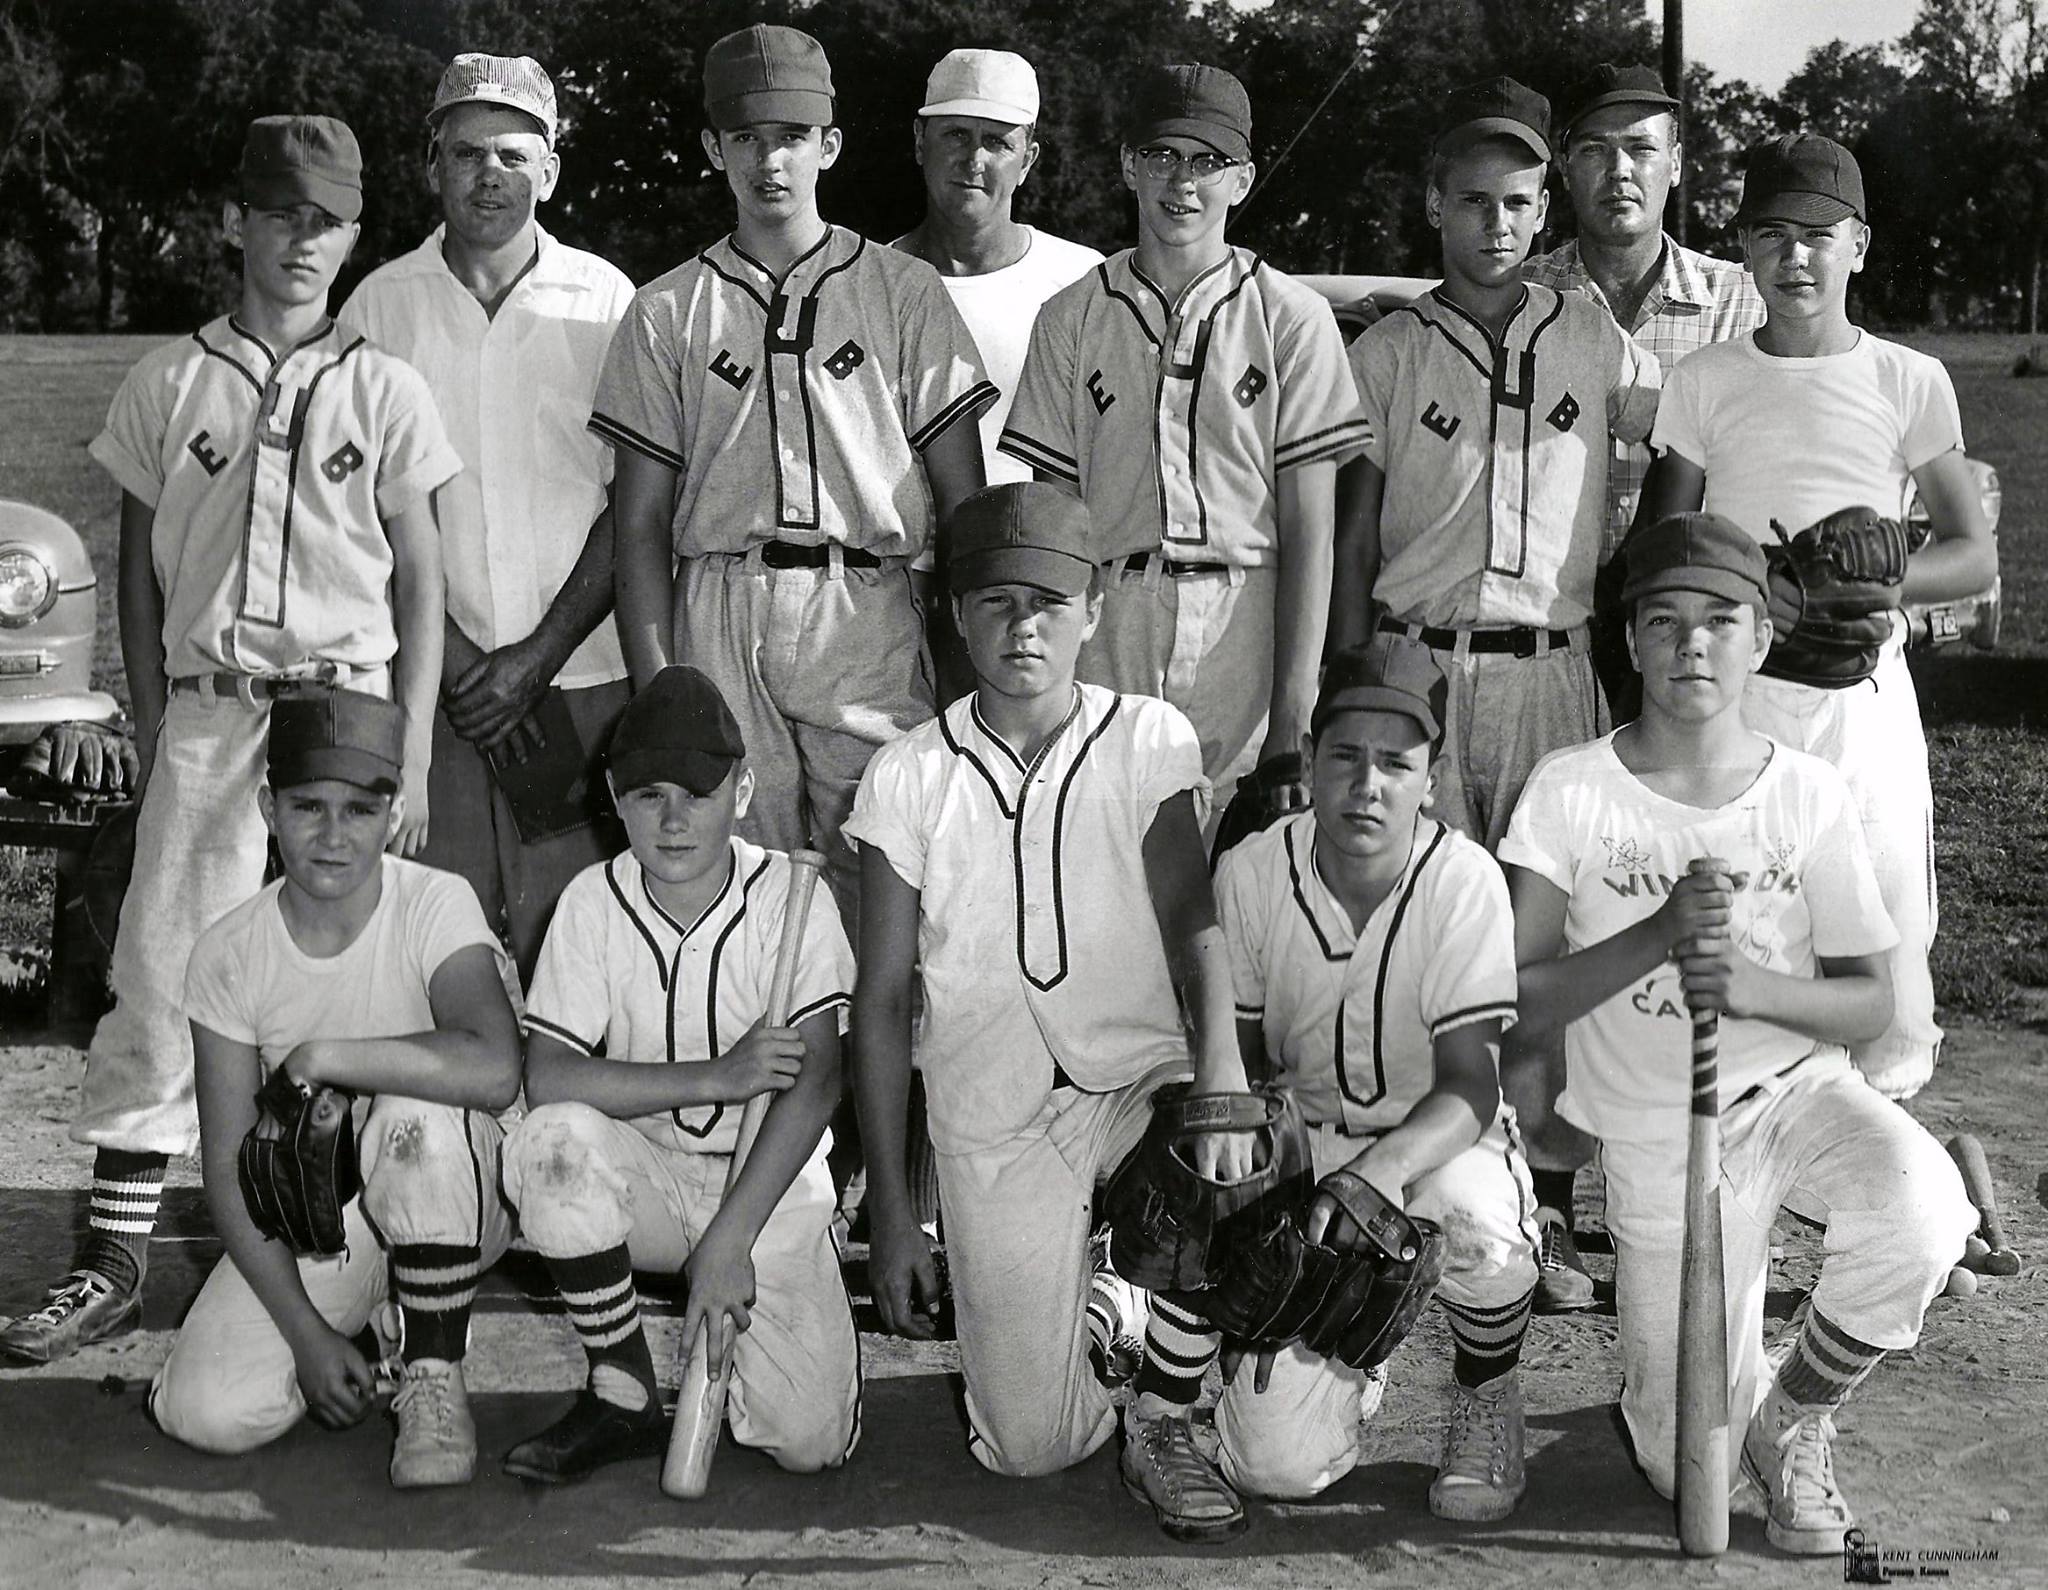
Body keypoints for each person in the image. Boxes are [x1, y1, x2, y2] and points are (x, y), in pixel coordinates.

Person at [2, 117, 459, 1365]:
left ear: (358, 233)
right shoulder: (168, 379)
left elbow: (421, 580)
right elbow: (141, 577)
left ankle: (374, 1240)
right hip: (212, 706)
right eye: (280, 214)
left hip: (344, 709)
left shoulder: (384, 385)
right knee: (163, 964)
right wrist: (159, 726)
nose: (302, 240)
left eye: (327, 219)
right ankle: (111, 1257)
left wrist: (408, 748)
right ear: (235, 224)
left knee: (351, 969)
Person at [1499, 511, 1975, 1554]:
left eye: (1719, 620)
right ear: (1627, 643)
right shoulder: (1569, 791)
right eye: (1661, 622)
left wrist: (1753, 987)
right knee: (1680, 1469)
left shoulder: (1803, 793)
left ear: (1760, 638)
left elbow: (1870, 1005)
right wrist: (1658, 939)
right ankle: (1717, 1385)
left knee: (1922, 1212)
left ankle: (1792, 1412)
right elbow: (1514, 1000)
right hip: (1652, 1136)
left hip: (1795, 1099)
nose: (1690, 646)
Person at [846, 482, 1255, 1542]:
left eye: (1047, 602)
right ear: (951, 612)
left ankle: (1162, 1415)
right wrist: (894, 1211)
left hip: (1133, 1082)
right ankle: (1108, 1304)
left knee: (1231, 1165)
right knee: (1029, 1448)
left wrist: (1220, 1079)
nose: (1022, 625)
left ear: (1093, 611)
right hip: (994, 1116)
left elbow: (1190, 919)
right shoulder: (907, 774)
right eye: (993, 601)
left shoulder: (1145, 737)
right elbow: (883, 1003)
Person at [597, 22, 994, 936]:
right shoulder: (666, 308)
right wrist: (662, 687)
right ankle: (768, 1078)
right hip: (718, 604)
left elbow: (964, 505)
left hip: (863, 605)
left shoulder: (902, 291)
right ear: (713, 148)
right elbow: (640, 524)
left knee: (888, 875)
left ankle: (881, 1082)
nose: (768, 160)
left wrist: (969, 666)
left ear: (830, 145)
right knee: (743, 891)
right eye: (745, 138)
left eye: (789, 137)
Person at [1639, 133, 1995, 1100]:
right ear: (1745, 248)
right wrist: (1751, 585)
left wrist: (1878, 588)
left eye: (1818, 235)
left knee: (1881, 917)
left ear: (1860, 246)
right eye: (1771, 235)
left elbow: (1972, 551)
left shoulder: (1908, 378)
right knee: (1750, 915)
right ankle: (1748, 1139)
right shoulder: (1706, 380)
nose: (1795, 258)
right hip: (1740, 689)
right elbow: (1660, 548)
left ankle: (1887, 1155)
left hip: (1861, 691)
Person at [1518, 61, 1764, 1312]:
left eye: (1644, 150)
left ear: (1678, 168)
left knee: (1704, 906)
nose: (1619, 171)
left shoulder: (1729, 299)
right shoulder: (1523, 290)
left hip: (1693, 644)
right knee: (1563, 913)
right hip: (1559, 634)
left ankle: (1707, 1184)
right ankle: (1548, 1197)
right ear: (1563, 167)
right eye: (1596, 149)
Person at [149, 690, 522, 1489]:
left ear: (393, 815)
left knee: (411, 1119)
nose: (331, 834)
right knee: (205, 1412)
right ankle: (364, 1326)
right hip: (329, 1222)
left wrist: (325, 1056)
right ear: (267, 809)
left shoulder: (434, 901)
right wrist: (306, 1333)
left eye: (359, 809)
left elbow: (494, 1066)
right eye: (307, 806)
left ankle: (432, 1370)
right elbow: (226, 1169)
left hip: (460, 1197)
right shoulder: (229, 951)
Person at [499, 665, 860, 1484]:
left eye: (696, 794)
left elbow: (818, 1081)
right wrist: (715, 1078)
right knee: (549, 1145)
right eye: (647, 794)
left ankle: (792, 1309)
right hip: (647, 1177)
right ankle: (623, 1387)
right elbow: (549, 1076)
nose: (670, 820)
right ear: (614, 797)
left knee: (806, 1443)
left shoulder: (788, 896)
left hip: (767, 1185)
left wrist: (732, 1236)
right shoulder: (592, 900)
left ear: (743, 789)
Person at [1211, 637, 1540, 1521]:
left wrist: (1376, 1179)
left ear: (1429, 778)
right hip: (1304, 1144)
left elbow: (1471, 1089)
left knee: (1481, 1236)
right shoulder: (1250, 873)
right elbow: (1238, 1063)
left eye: (1396, 763)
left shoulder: (1464, 881)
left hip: (1436, 1143)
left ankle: (1484, 1389)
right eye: (1346, 756)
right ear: (1309, 760)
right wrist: (1262, 1191)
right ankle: (1355, 1356)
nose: (1368, 785)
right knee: (1273, 1468)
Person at [1000, 63, 1369, 820]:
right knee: (1110, 870)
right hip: (1112, 617)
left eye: (1209, 161)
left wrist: (1294, 715)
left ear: (1243, 177)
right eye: (1164, 155)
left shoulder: (1292, 316)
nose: (1183, 181)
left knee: (1244, 882)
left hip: (1248, 618)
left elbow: (1312, 534)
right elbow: (1056, 528)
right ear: (1129, 164)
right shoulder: (1070, 316)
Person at [342, 53, 638, 981]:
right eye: (466, 153)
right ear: (431, 163)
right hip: (433, 692)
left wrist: (537, 658)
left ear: (551, 170)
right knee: (441, 962)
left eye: (514, 155)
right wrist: (467, 669)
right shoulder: (375, 309)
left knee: (581, 971)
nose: (490, 176)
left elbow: (637, 503)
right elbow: (353, 517)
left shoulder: (610, 303)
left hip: (584, 682)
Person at [1331, 76, 1661, 852]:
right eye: (1475, 201)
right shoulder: (1387, 352)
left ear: (1544, 211)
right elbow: (1350, 541)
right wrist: (1348, 681)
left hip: (1550, 669)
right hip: (1416, 660)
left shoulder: (1591, 337)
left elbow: (1688, 433)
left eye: (1518, 204)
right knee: (1423, 916)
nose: (1498, 224)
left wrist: (1632, 567)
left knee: (1547, 907)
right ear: (1435, 205)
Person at [892, 48, 1105, 488]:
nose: (974, 160)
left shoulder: (1083, 281)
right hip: (895, 556)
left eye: (997, 141)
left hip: (1035, 550)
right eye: (955, 134)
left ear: (1027, 159)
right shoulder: (869, 281)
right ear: (919, 141)